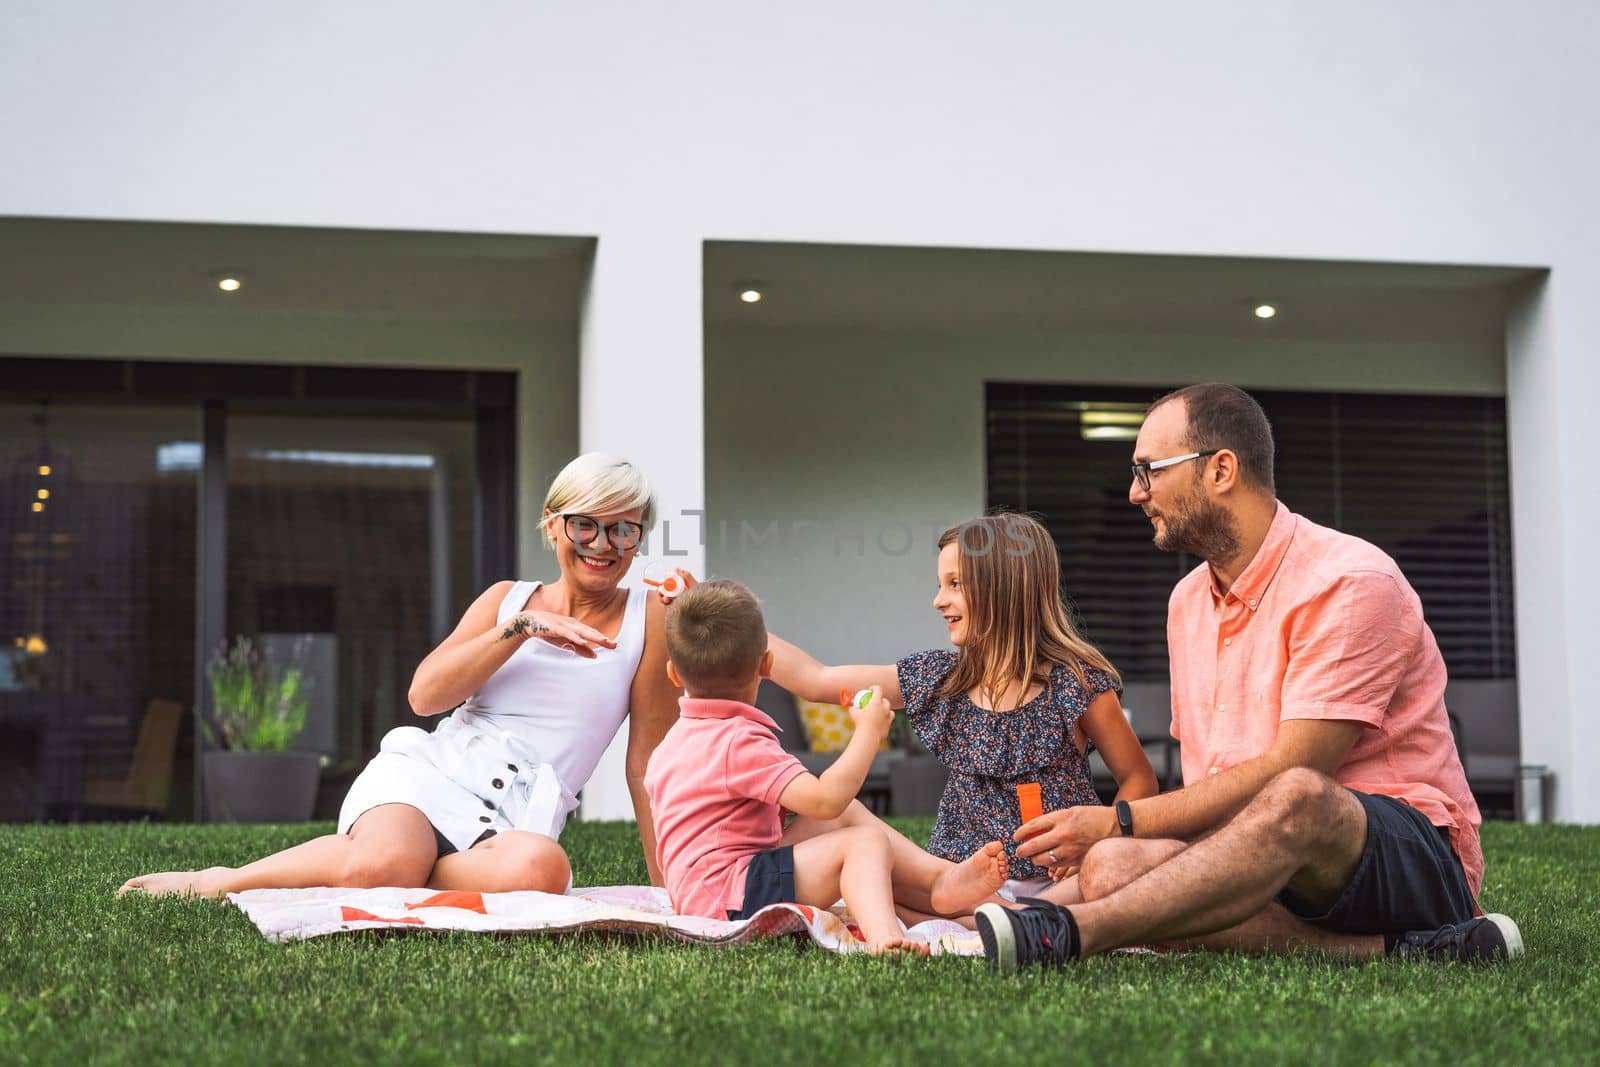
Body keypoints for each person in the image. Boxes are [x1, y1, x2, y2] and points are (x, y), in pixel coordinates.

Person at [976, 383, 1523, 973]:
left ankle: (1065, 934)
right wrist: (1119, 844)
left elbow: (1300, 768)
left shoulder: (1350, 579)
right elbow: (1208, 777)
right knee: (1111, 865)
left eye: (1149, 471)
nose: (1136, 494)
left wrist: (1120, 819)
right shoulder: (1187, 602)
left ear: (1221, 470)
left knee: (1294, 790)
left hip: (1403, 857)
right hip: (1265, 861)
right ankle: (1409, 952)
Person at [120, 453, 683, 898]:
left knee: (543, 871)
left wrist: (668, 888)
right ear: (554, 526)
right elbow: (425, 696)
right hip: (429, 780)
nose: (603, 546)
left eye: (623, 531)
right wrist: (524, 627)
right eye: (586, 526)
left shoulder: (648, 618)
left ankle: (410, 874)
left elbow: (647, 762)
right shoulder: (506, 600)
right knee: (380, 866)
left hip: (513, 822)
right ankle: (220, 880)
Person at [769, 513, 1159, 902]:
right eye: (941, 585)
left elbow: (1139, 779)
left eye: (955, 584)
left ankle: (1016, 919)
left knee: (1113, 871)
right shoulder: (939, 679)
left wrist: (1096, 843)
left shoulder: (1075, 684)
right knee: (843, 817)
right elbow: (816, 680)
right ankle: (1001, 919)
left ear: (1004, 588)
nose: (939, 600)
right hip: (959, 882)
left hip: (1059, 884)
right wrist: (718, 613)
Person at [643, 579, 1007, 954]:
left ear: (674, 674)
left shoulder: (673, 743)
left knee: (844, 817)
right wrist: (868, 732)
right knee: (862, 843)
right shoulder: (739, 741)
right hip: (732, 898)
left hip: (703, 891)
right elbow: (824, 799)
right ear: (766, 666)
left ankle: (940, 881)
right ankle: (885, 937)